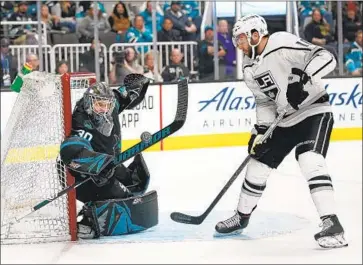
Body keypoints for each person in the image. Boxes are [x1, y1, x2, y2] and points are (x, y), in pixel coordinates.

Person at [215, 14, 347, 249]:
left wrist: (301, 77)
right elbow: (264, 102)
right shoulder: (248, 66)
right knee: (257, 164)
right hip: (283, 120)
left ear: (256, 35)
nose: (238, 44)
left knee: (309, 158)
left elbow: (326, 57)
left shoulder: (281, 42)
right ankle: (241, 217)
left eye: (242, 39)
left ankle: (332, 224)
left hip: (313, 111)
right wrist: (260, 132)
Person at [59, 76, 156, 238]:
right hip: (80, 174)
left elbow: (122, 97)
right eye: (99, 105)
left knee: (135, 184)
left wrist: (138, 87)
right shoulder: (81, 121)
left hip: (109, 164)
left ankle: (101, 202)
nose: (104, 109)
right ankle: (88, 218)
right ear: (89, 103)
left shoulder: (110, 105)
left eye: (107, 105)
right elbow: (72, 151)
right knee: (122, 197)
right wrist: (96, 165)